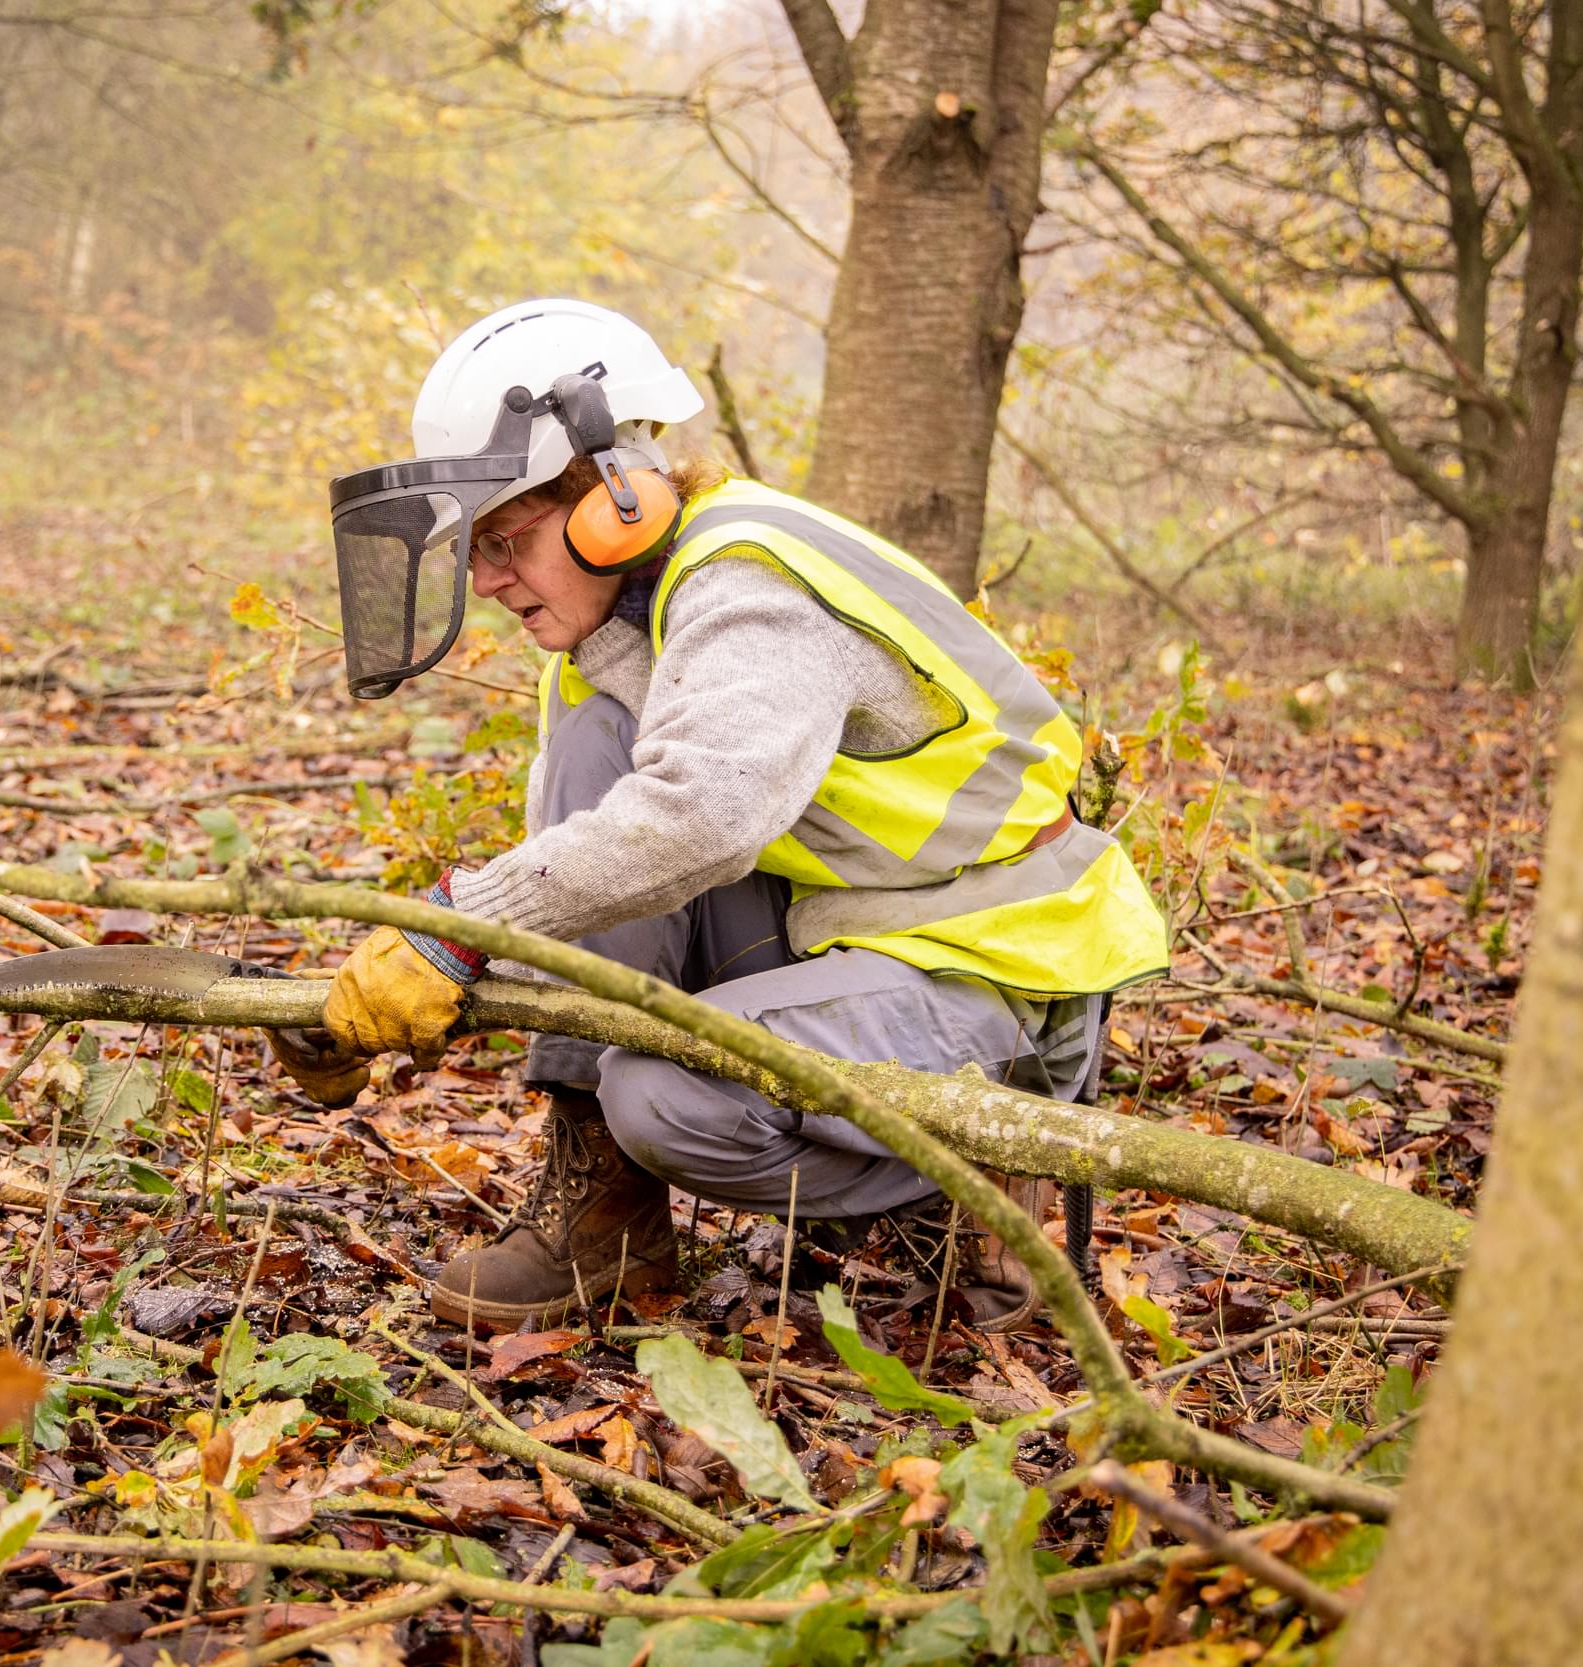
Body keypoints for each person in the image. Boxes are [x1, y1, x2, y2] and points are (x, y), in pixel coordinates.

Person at [275, 299, 1170, 1333]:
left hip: (992, 963)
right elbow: (580, 891)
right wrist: (389, 995)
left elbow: (704, 815)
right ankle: (603, 1207)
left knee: (665, 1095)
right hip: (842, 929)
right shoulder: (612, 639)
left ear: (613, 502)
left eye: (506, 541)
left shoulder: (748, 582)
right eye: (473, 550)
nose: (485, 582)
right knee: (596, 755)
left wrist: (458, 931)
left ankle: (959, 1172)